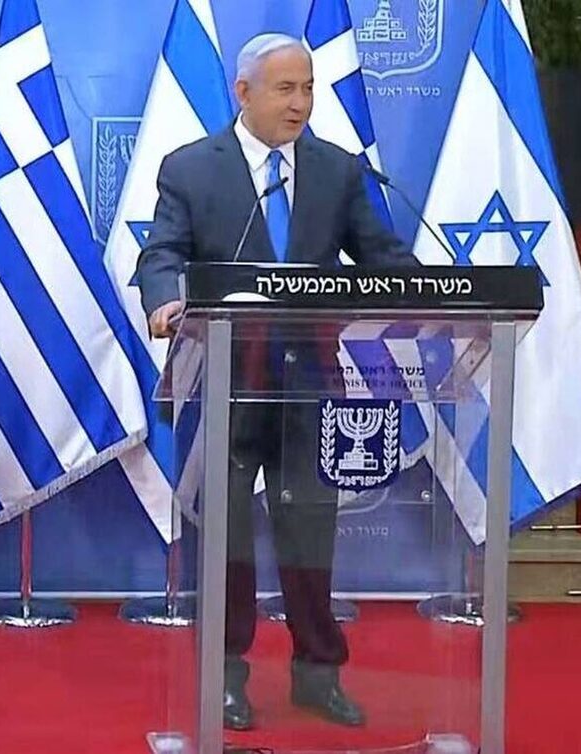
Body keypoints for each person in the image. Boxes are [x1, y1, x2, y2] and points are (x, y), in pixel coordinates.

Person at [137, 34, 417, 731]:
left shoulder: (338, 170)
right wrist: (165, 301)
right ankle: (226, 679)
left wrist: (437, 292)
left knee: (310, 536)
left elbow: (381, 256)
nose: (301, 103)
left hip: (311, 385)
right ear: (244, 93)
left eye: (308, 88)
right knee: (227, 542)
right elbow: (162, 254)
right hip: (226, 384)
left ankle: (318, 674)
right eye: (286, 89)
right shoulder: (190, 169)